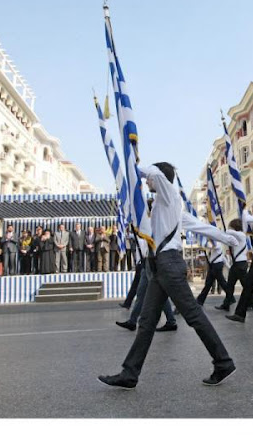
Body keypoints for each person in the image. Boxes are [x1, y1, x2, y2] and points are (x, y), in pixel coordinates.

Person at [98, 162, 236, 389]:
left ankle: (223, 362)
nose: (146, 182)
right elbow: (201, 227)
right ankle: (129, 373)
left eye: (150, 179)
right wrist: (228, 239)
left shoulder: (170, 194)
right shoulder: (168, 207)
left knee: (193, 315)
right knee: (147, 321)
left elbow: (152, 173)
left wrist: (132, 162)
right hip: (161, 267)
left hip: (169, 265)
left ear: (160, 178)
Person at [214, 219, 247, 312]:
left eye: (232, 226)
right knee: (230, 285)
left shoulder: (241, 235)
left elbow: (228, 232)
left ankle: (252, 302)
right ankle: (226, 304)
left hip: (241, 264)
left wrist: (227, 229)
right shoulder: (237, 238)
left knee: (246, 285)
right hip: (236, 264)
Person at [196, 238, 231, 307]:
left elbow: (210, 246)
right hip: (213, 265)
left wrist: (205, 241)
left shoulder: (217, 243)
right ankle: (200, 300)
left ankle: (231, 297)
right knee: (209, 283)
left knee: (221, 283)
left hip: (216, 265)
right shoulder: (216, 243)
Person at [119, 235, 145, 309]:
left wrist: (128, 234)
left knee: (138, 287)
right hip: (139, 265)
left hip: (141, 265)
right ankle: (128, 303)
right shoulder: (140, 241)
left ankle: (129, 303)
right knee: (135, 285)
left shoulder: (142, 241)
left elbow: (136, 237)